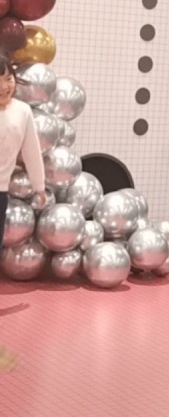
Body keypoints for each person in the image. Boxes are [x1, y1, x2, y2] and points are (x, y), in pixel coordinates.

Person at [0, 54, 46, 370]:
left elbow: (31, 151)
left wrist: (39, 185)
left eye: (8, 79)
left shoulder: (22, 111)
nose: (5, 86)